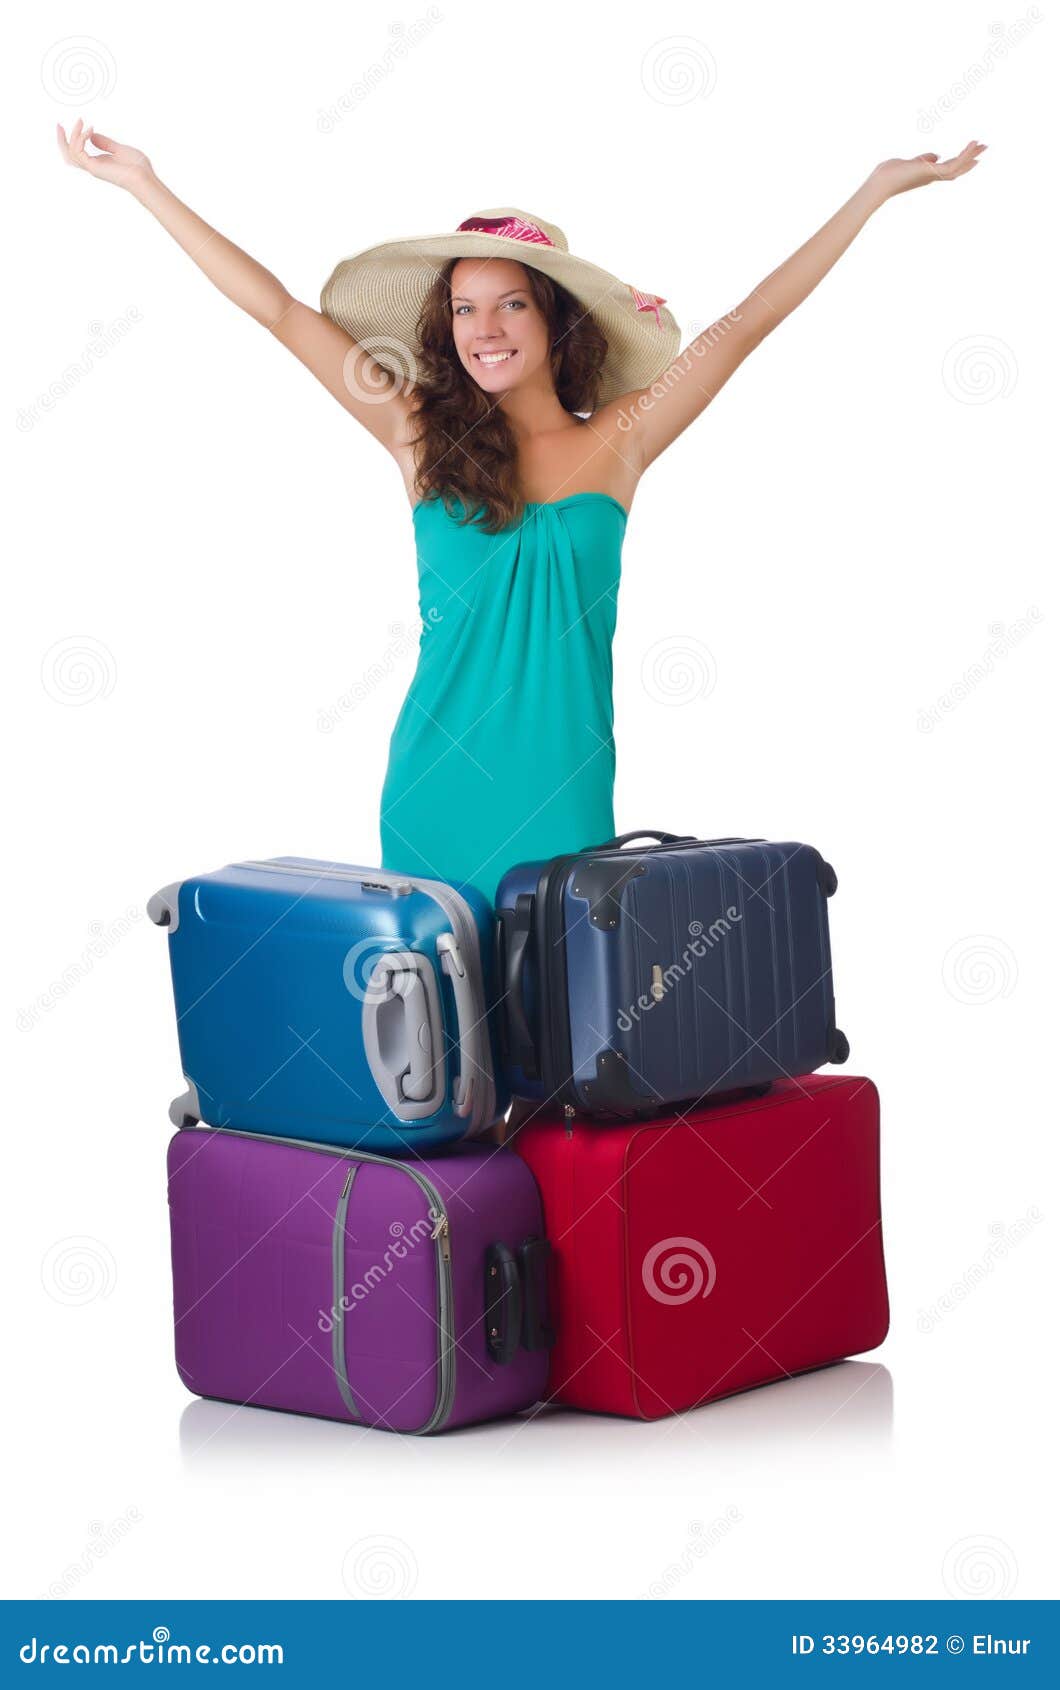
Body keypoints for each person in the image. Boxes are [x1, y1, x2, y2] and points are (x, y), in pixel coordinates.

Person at [57, 125, 985, 1137]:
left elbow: (746, 321)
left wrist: (874, 191)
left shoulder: (621, 441)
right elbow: (279, 310)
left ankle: (557, 1284)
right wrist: (145, 184)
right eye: (462, 307)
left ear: (554, 321)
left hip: (560, 798)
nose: (482, 327)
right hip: (434, 793)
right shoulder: (415, 431)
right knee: (447, 1085)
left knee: (560, 1075)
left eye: (507, 302)